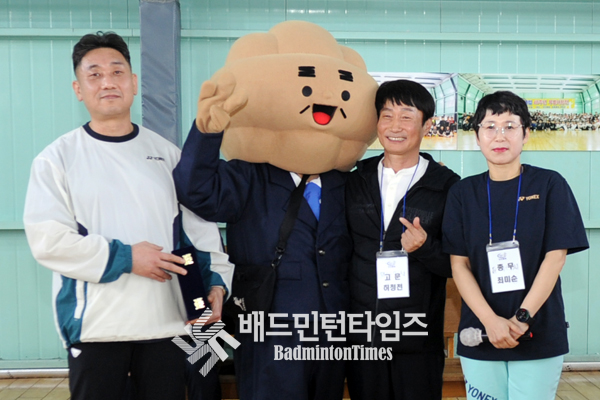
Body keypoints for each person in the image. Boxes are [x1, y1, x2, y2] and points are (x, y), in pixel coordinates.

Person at [173, 20, 379, 400]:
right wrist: (206, 134)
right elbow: (194, 191)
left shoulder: (346, 183)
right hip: (269, 327)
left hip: (332, 329)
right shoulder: (249, 176)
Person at [23, 31, 233, 400]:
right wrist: (127, 257)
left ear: (134, 83)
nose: (108, 82)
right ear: (78, 89)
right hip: (97, 330)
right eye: (94, 74)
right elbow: (48, 241)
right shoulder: (56, 159)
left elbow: (199, 233)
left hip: (167, 327)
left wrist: (216, 284)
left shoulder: (168, 155)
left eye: (117, 72)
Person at [442, 91, 589, 400]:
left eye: (510, 126)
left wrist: (521, 319)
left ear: (526, 133)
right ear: (477, 136)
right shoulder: (462, 193)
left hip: (538, 330)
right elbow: (459, 265)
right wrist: (490, 321)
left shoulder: (550, 184)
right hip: (480, 332)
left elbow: (555, 259)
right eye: (490, 126)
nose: (500, 135)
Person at [345, 79, 460, 400]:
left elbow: (457, 264)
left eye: (407, 116)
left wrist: (425, 248)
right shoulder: (354, 181)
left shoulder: (447, 186)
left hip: (416, 334)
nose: (395, 126)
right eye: (387, 116)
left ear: (427, 125)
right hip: (362, 333)